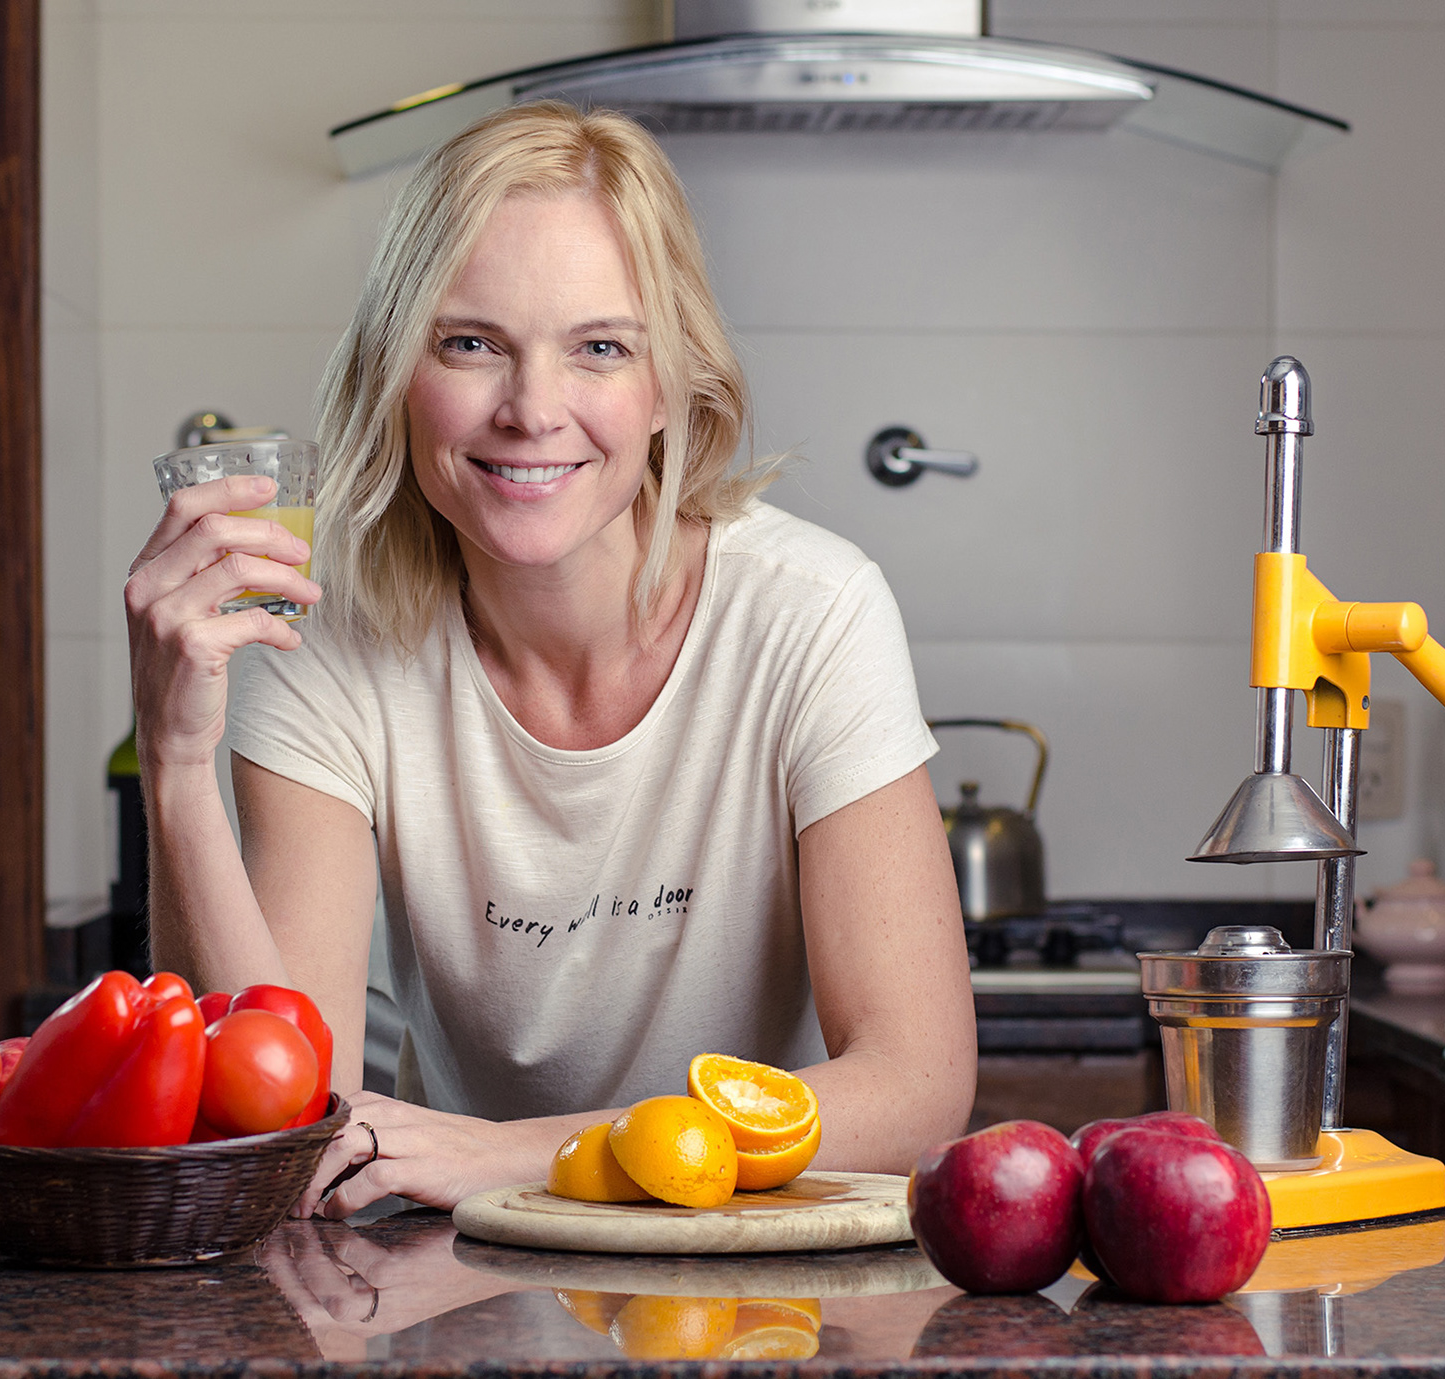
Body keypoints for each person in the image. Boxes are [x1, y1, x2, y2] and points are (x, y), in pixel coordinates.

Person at [124, 100, 975, 1218]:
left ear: (669, 385)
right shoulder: (323, 631)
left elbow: (915, 1086)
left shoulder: (811, 614)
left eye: (600, 348)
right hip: (455, 1276)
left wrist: (510, 1153)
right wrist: (176, 761)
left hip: (753, 1265)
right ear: (395, 370)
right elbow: (274, 1110)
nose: (532, 410)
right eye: (471, 344)